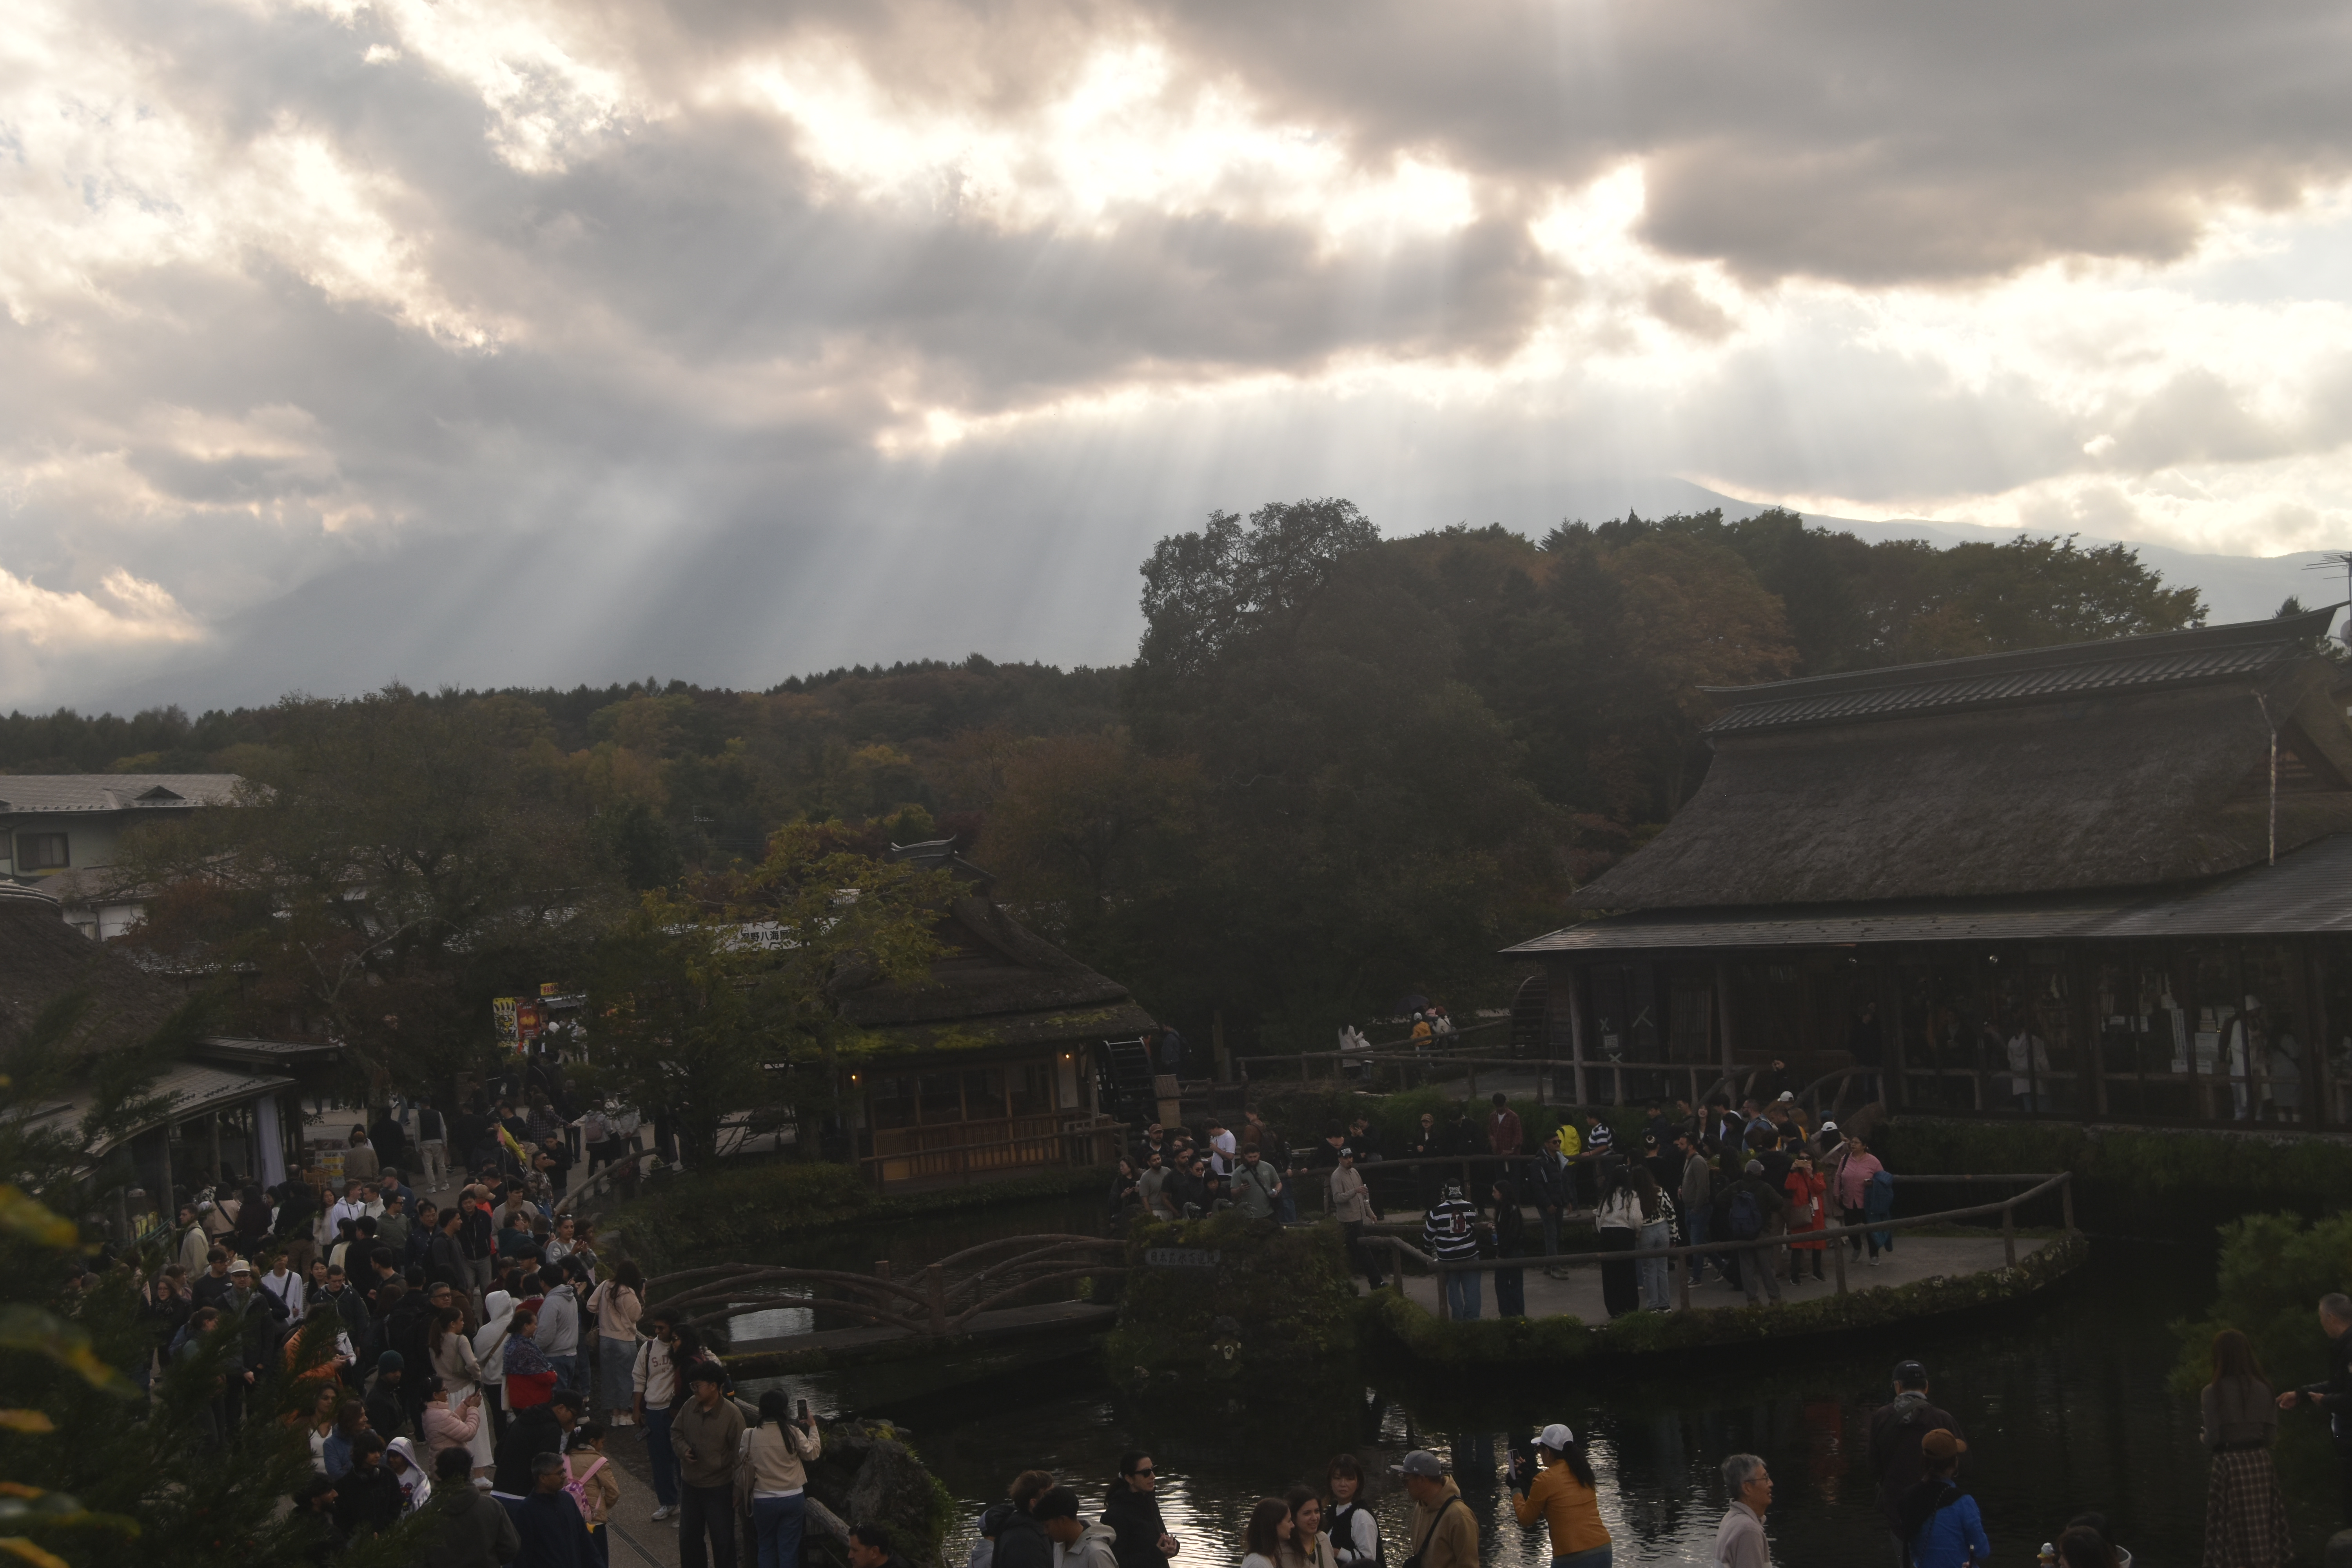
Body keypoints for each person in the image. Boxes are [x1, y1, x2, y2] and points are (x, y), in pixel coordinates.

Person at [2198, 1328, 2291, 1566]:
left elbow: (2213, 1438)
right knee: (2263, 1527)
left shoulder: (2212, 1392)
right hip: (2260, 1464)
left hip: (2230, 1465)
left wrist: (2203, 1439)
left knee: (2231, 1529)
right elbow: (2270, 1437)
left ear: (2218, 1356)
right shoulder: (2265, 1388)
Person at [1871, 1360, 1963, 1555]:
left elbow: (1873, 1465)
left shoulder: (1881, 1417)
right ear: (1927, 1387)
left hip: (1898, 1511)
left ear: (1897, 1387)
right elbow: (1966, 1464)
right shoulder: (1942, 1419)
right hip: (1937, 1511)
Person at [2279, 1292, 2352, 1525]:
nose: (2321, 1324)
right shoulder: (2343, 1347)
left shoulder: (2350, 1348)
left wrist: (2326, 1401)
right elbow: (2337, 1385)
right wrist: (2301, 1394)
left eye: (2321, 1317)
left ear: (2331, 1318)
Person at [673, 1362, 746, 1568]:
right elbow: (676, 1432)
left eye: (698, 1386)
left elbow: (741, 1456)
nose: (694, 1390)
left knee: (723, 1541)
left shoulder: (732, 1415)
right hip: (690, 1485)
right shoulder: (689, 1406)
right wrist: (683, 1450)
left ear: (713, 1386)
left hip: (719, 1488)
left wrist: (738, 1489)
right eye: (692, 1386)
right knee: (689, 1539)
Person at [1510, 1423, 1612, 1568]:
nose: (1538, 1453)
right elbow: (1558, 1492)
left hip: (1572, 1556)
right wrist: (1530, 1477)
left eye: (1539, 1448)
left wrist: (1515, 1490)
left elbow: (1526, 1519)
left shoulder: (1545, 1480)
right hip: (1603, 1550)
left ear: (1548, 1452)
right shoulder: (1582, 1471)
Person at [739, 1390, 821, 1568]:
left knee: (766, 1546)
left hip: (763, 1499)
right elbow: (812, 1453)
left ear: (761, 1410)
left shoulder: (750, 1435)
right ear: (784, 1410)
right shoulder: (793, 1432)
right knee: (789, 1551)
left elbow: (743, 1458)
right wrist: (813, 1426)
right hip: (792, 1497)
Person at [1898, 1430, 1987, 1568]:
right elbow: (1982, 1551)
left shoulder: (1908, 1496)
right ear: (1954, 1463)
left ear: (1924, 1461)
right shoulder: (1964, 1502)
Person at [424, 1445, 521, 1566]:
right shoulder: (492, 1506)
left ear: (439, 1472)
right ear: (469, 1469)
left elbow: (416, 1558)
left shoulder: (426, 1515)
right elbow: (511, 1547)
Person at [512, 1450, 598, 1568]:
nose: (565, 1476)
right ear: (543, 1478)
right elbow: (523, 1556)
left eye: (564, 1471)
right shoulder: (527, 1511)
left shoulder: (567, 1500)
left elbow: (585, 1543)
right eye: (559, 1473)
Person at [494, 1387, 582, 1498]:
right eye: (574, 1415)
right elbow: (548, 1472)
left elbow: (498, 1453)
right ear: (561, 1408)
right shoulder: (552, 1429)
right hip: (522, 1497)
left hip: (499, 1489)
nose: (574, 1422)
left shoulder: (526, 1416)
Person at [1394, 1450, 1476, 1568]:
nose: (1405, 1486)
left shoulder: (1460, 1516)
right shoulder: (1421, 1507)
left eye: (1406, 1480)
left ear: (1422, 1480)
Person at [1102, 1452, 1181, 1568]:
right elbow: (1114, 1563)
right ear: (1129, 1478)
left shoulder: (1151, 1504)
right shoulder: (1115, 1515)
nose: (1153, 1476)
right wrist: (1156, 1554)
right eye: (1146, 1473)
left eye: (1154, 1470)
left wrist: (1173, 1546)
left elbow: (1160, 1540)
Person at [1423, 1181, 1485, 1320]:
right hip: (1469, 1253)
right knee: (1473, 1292)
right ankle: (1473, 1322)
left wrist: (1428, 1248)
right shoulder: (1470, 1208)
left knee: (1453, 1291)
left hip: (1447, 1256)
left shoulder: (1436, 1212)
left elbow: (1428, 1237)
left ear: (1445, 1193)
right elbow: (1472, 1223)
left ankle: (1458, 1321)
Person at [1327, 1149, 1385, 1290]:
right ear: (1340, 1159)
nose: (1350, 1160)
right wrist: (1354, 1192)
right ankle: (1376, 1281)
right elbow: (1337, 1198)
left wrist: (1370, 1212)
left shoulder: (1355, 1173)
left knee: (1357, 1252)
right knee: (1363, 1250)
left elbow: (1364, 1195)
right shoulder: (1336, 1176)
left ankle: (1352, 1282)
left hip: (1359, 1217)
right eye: (1346, 1158)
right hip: (1348, 1219)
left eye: (1351, 1157)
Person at [568, 1421, 621, 1567]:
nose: (602, 1447)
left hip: (570, 1518)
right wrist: (602, 1506)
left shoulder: (565, 1458)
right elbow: (614, 1492)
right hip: (593, 1520)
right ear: (592, 1442)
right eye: (602, 1442)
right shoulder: (599, 1461)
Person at [1594, 1162, 1641, 1317]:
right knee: (1627, 1272)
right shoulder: (1631, 1195)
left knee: (1609, 1274)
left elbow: (1599, 1217)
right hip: (1624, 1234)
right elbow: (1635, 1217)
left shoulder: (1608, 1195)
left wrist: (1603, 1232)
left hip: (1607, 1234)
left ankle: (1614, 1309)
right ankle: (1630, 1307)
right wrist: (1637, 1231)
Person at [1713, 1454, 1773, 1568]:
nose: (1771, 1483)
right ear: (1747, 1488)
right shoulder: (1748, 1531)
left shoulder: (1730, 1519)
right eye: (1765, 1478)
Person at [989, 1472, 1058, 1568]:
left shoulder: (1036, 1529)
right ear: (1034, 1503)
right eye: (1050, 1496)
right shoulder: (1022, 1540)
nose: (1056, 1500)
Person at [1034, 1488, 1115, 1568]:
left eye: (1047, 1526)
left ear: (1062, 1520)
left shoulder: (1096, 1554)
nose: (1045, 1531)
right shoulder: (1059, 1546)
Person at [1836, 1136, 1887, 1263]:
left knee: (1870, 1229)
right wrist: (1836, 1193)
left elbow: (1883, 1178)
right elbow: (1838, 1176)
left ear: (1864, 1146)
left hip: (1868, 1201)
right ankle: (1857, 1247)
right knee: (1850, 1228)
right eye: (1852, 1142)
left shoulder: (1873, 1161)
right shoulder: (1846, 1158)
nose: (1853, 1145)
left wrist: (1873, 1183)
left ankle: (1874, 1254)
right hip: (1849, 1200)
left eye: (1857, 1143)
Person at [1630, 1165, 1675, 1311]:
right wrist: (1674, 1236)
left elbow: (1633, 1217)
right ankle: (1665, 1304)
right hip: (1662, 1229)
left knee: (1649, 1270)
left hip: (1645, 1232)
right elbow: (1671, 1213)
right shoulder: (1659, 1192)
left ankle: (1653, 1306)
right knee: (1662, 1268)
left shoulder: (1633, 1196)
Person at [1782, 1149, 1827, 1284]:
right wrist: (1792, 1170)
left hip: (1816, 1213)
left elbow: (1821, 1188)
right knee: (1798, 1244)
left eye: (1808, 1158)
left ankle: (1817, 1271)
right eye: (1802, 1158)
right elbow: (1789, 1186)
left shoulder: (1818, 1175)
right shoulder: (1795, 1175)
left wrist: (1811, 1175)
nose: (1805, 1161)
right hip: (1801, 1213)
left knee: (1818, 1243)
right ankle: (1794, 1275)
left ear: (1813, 1160)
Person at [1531, 1131, 1576, 1265]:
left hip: (1559, 1201)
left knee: (1556, 1235)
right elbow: (1537, 1186)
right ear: (1546, 1144)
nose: (1558, 1144)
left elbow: (1564, 1181)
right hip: (1547, 1204)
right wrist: (1547, 1204)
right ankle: (1554, 1267)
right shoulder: (1539, 1163)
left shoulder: (1560, 1160)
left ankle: (1549, 1265)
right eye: (1555, 1142)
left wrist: (1568, 1200)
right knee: (1551, 1235)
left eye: (1559, 1142)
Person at [1326, 1455, 1379, 1568]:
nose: (1343, 1484)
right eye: (1337, 1478)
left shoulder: (1361, 1515)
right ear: (1330, 1481)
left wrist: (1336, 1552)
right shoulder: (1332, 1511)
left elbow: (1369, 1561)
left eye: (1350, 1479)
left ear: (1358, 1483)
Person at [1677, 1133, 1716, 1285]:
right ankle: (1721, 1265)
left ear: (1691, 1146)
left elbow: (1703, 1187)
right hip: (1689, 1207)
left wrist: (1697, 1207)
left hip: (1697, 1209)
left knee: (1696, 1245)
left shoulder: (1698, 1161)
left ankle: (1697, 1277)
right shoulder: (1688, 1160)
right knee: (1699, 1241)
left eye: (1682, 1143)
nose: (1679, 1146)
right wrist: (1682, 1188)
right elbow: (1690, 1181)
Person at [1491, 1178, 1528, 1318]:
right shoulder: (1503, 1208)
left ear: (1502, 1193)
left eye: (1495, 1192)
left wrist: (1502, 1251)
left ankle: (1517, 1313)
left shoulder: (1511, 1209)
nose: (1493, 1194)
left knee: (1514, 1284)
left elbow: (1512, 1234)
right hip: (1507, 1250)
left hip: (1512, 1252)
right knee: (1502, 1284)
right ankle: (1507, 1313)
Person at [1281, 1488, 1336, 1568]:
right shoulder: (1281, 1550)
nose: (1314, 1518)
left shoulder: (1323, 1539)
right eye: (1307, 1513)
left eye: (1317, 1511)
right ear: (1292, 1517)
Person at [1241, 1498, 1291, 1568]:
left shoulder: (1271, 1557)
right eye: (1289, 1521)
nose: (1292, 1525)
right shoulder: (1258, 1564)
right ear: (1273, 1525)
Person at [1488, 1093, 1524, 1159]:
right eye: (1497, 1107)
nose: (1499, 1109)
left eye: (1501, 1106)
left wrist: (1512, 1150)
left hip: (1512, 1156)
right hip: (1498, 1155)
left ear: (1505, 1104)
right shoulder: (1492, 1116)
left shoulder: (1514, 1117)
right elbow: (1490, 1132)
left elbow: (1519, 1136)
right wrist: (1492, 1140)